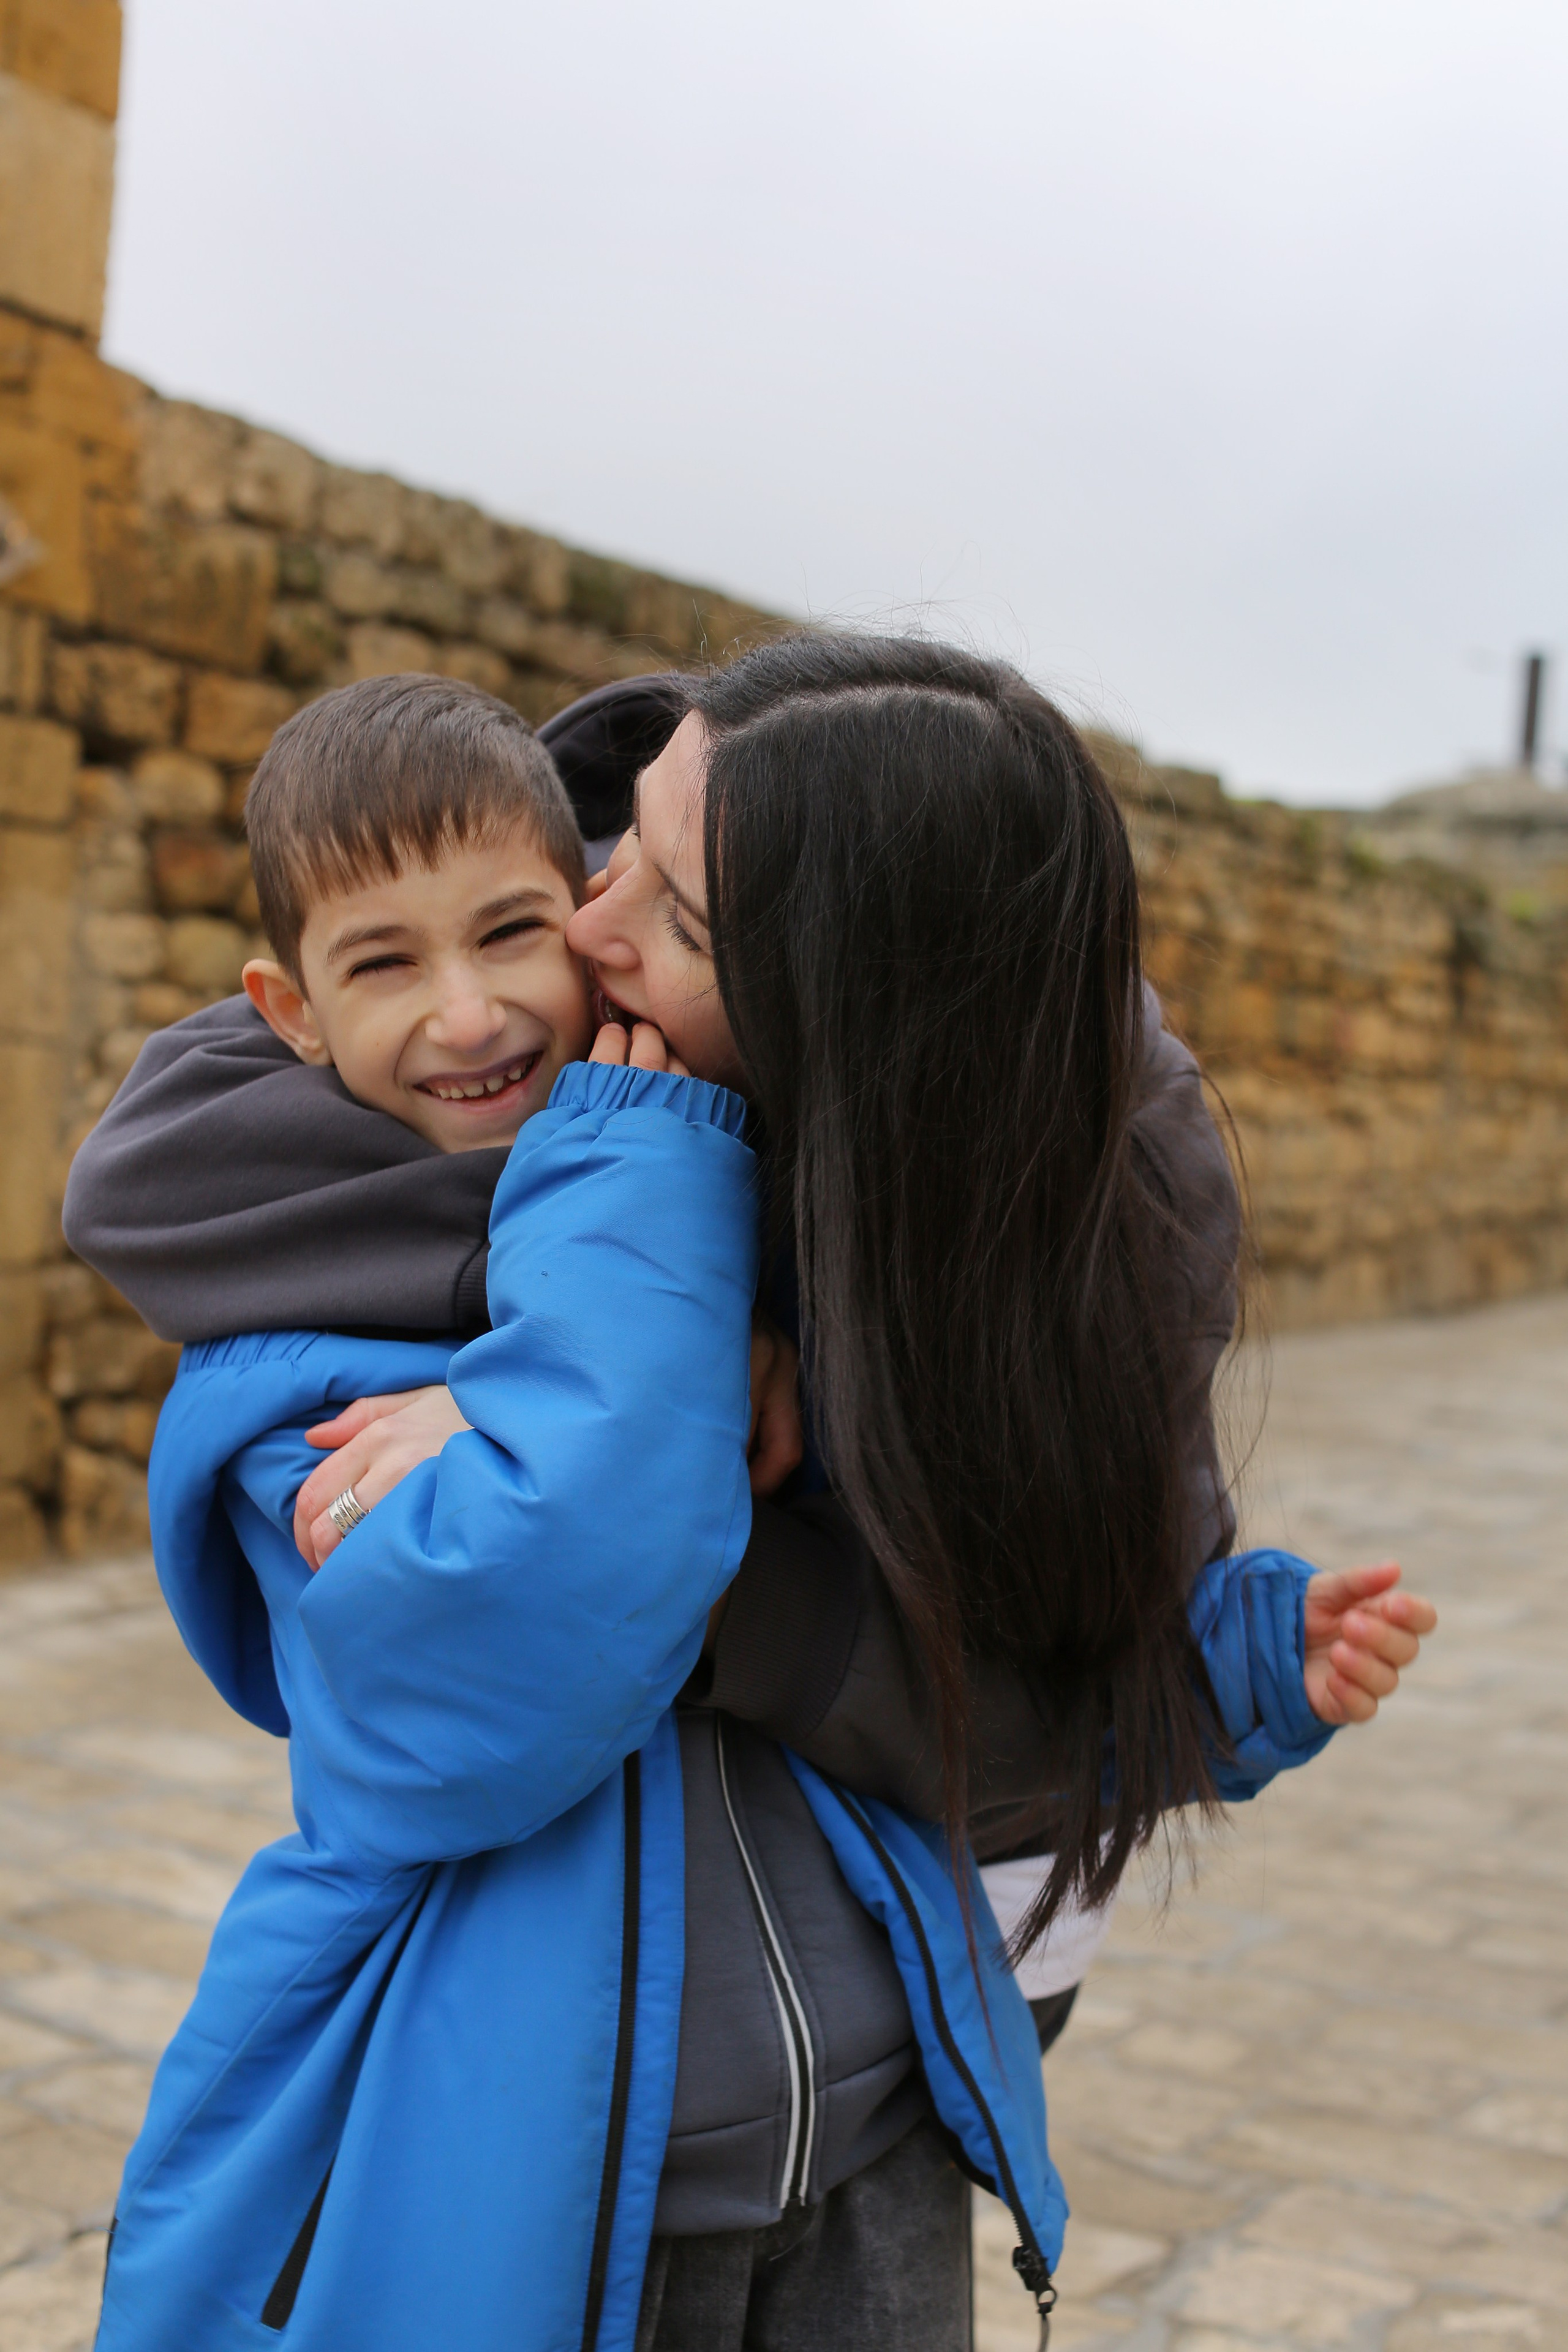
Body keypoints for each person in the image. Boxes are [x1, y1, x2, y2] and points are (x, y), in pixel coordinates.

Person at [66, 652, 1433, 2352]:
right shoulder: (310, 1353)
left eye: (660, 914)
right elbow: (529, 1641)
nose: (570, 943)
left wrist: (1213, 1665)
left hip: (870, 2138)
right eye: (607, 849)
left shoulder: (949, 1207)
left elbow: (1003, 1656)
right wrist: (655, 1197)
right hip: (542, 2186)